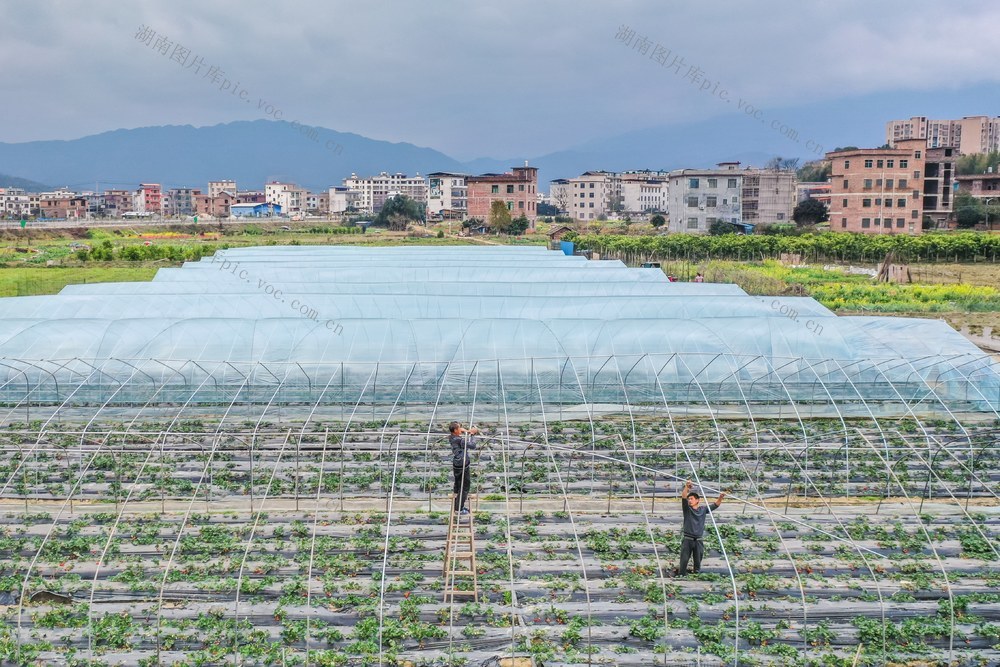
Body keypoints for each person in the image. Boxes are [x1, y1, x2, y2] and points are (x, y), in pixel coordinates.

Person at [677, 480, 725, 575]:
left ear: (697, 500)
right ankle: (681, 575)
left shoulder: (703, 510)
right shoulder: (687, 509)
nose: (689, 501)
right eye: (689, 499)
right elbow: (683, 497)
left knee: (698, 559)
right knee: (684, 559)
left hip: (698, 540)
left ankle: (696, 575)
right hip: (688, 539)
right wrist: (687, 487)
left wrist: (721, 497)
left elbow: (715, 505)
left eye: (691, 499)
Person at [449, 422, 479, 515]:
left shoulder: (451, 437)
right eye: (459, 428)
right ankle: (459, 509)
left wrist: (468, 431)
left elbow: (461, 431)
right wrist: (473, 434)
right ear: (455, 430)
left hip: (457, 464)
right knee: (465, 486)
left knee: (458, 485)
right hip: (462, 465)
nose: (461, 429)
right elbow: (472, 445)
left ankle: (458, 505)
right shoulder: (458, 440)